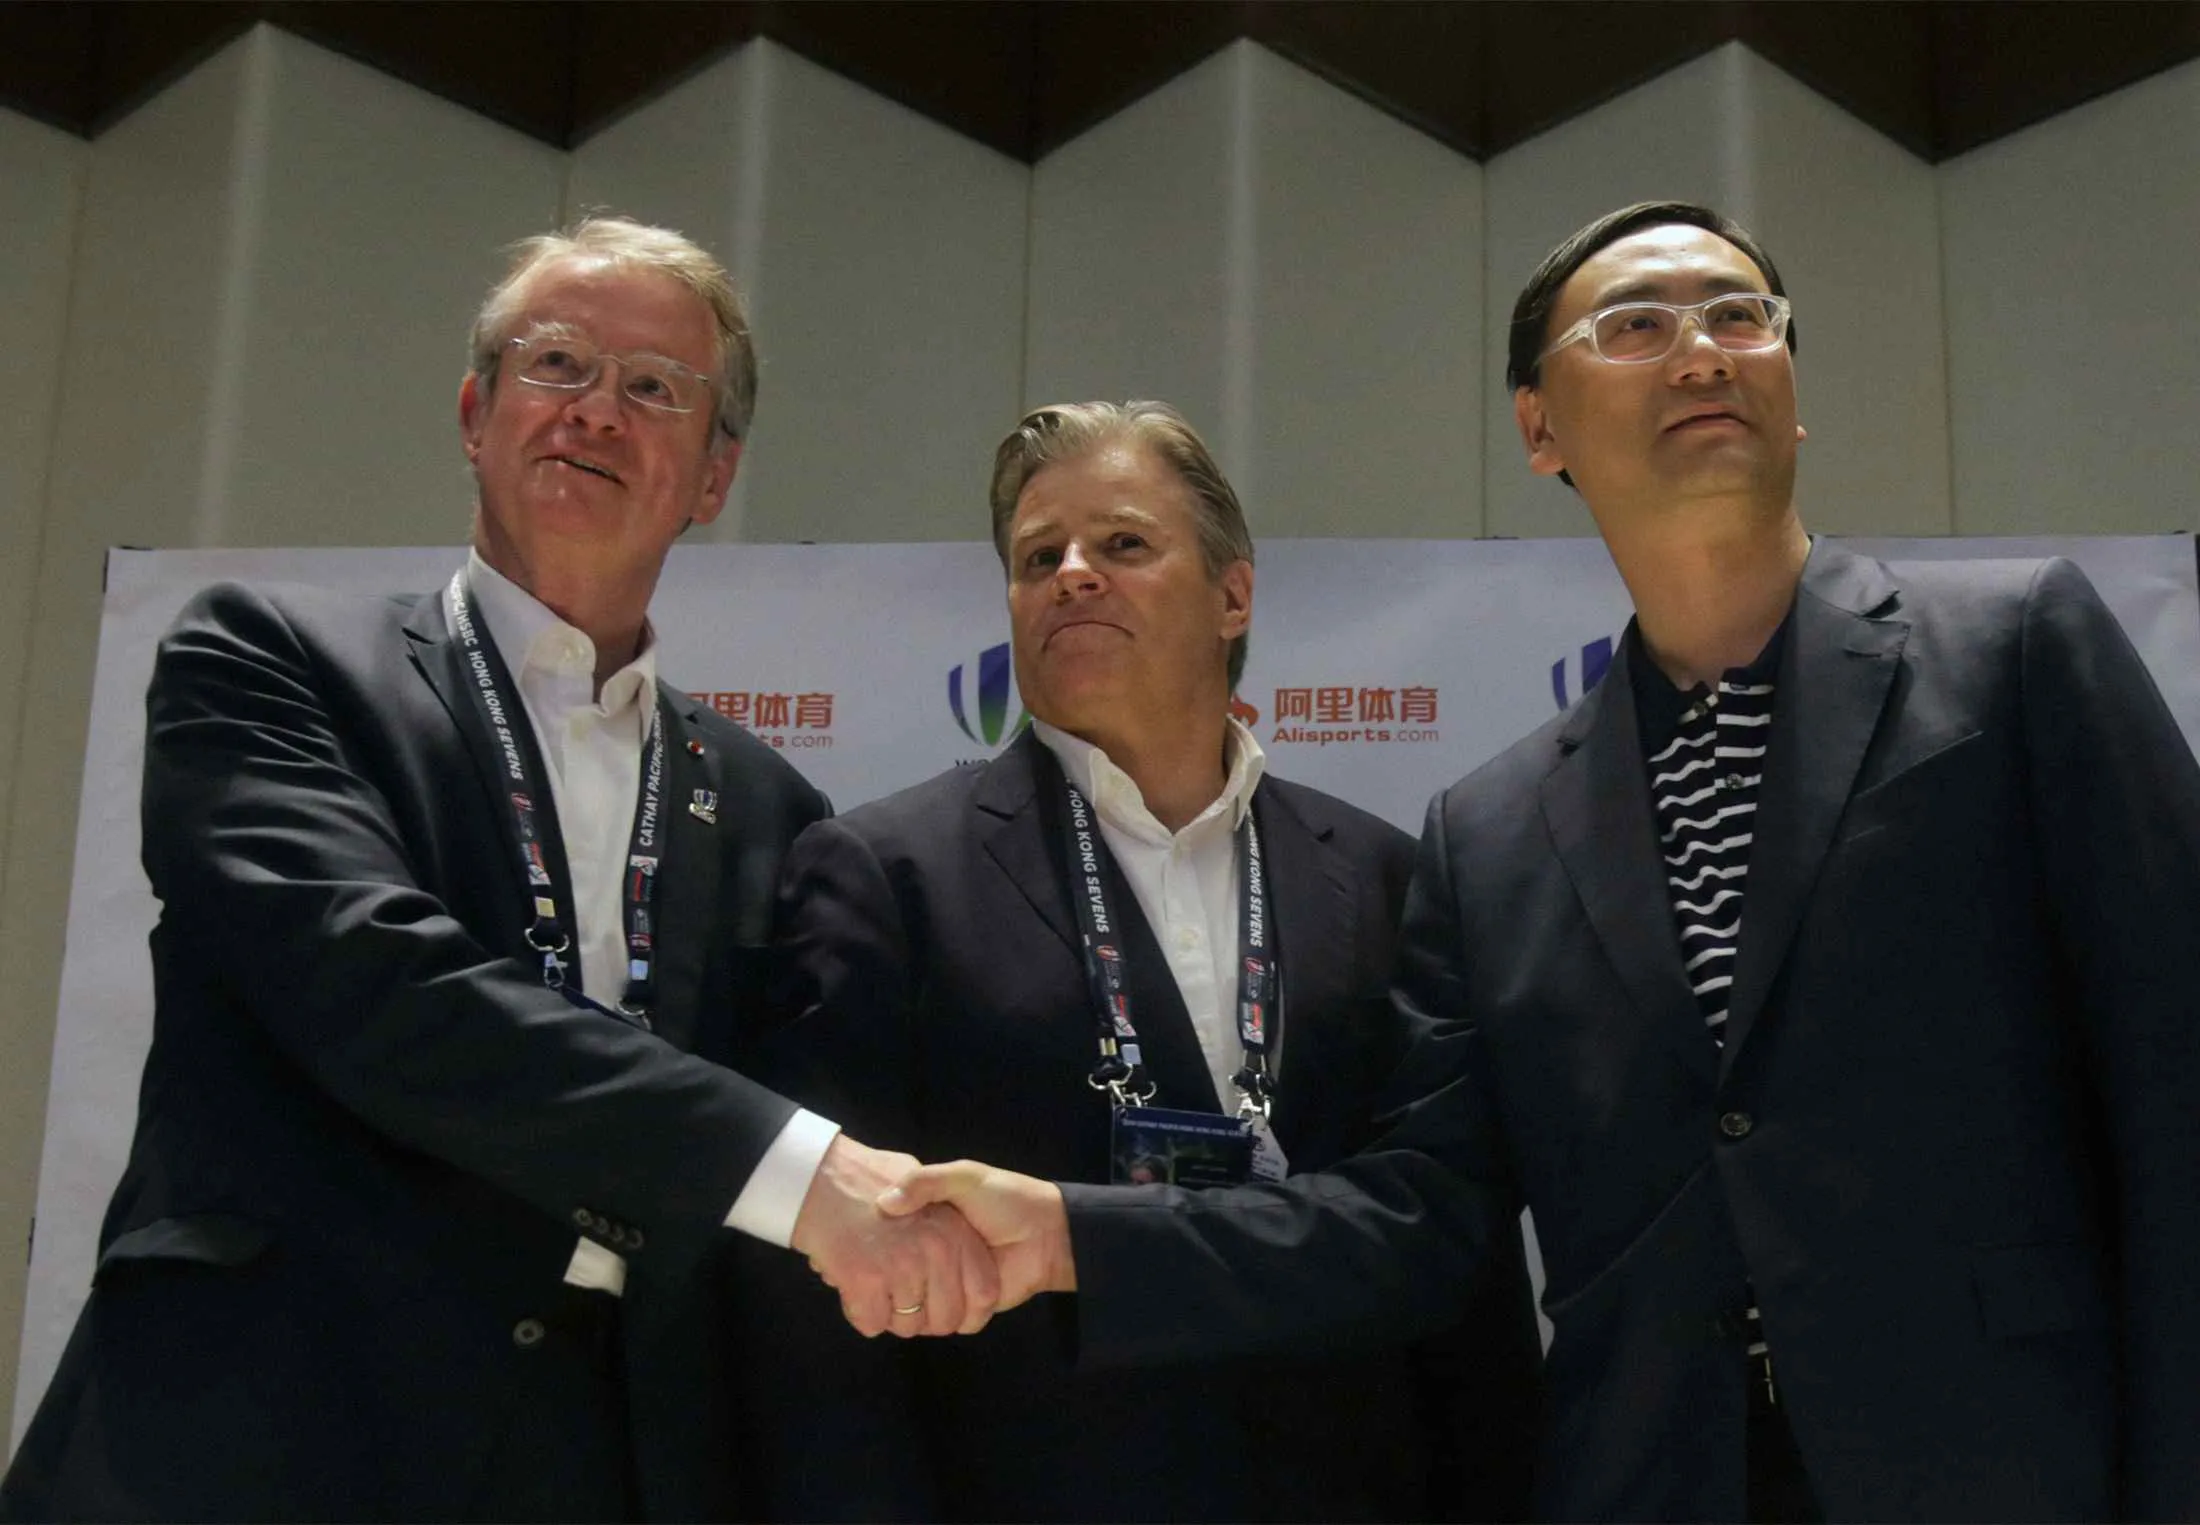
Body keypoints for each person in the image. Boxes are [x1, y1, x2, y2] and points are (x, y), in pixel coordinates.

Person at [886, 204, 2200, 1521]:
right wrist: (1078, 1237)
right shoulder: (1495, 833)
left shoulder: (2014, 650)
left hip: (2017, 1466)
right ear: (1539, 429)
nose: (1698, 353)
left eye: (1738, 316)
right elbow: (1419, 1216)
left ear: (1793, 390)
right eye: (1633, 327)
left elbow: (2173, 1076)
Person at [1, 216, 993, 1524]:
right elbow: (377, 988)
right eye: (558, 365)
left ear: (712, 476)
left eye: (654, 390)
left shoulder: (769, 805)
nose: (596, 412)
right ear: (477, 412)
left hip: (605, 1454)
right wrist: (807, 1177)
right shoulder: (265, 660)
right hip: (265, 1422)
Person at [729, 401, 1541, 1521]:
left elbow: (1460, 1261)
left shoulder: (1386, 876)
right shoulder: (883, 874)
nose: (1071, 574)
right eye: (1035, 557)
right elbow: (815, 1311)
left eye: (1121, 544)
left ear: (1233, 595)